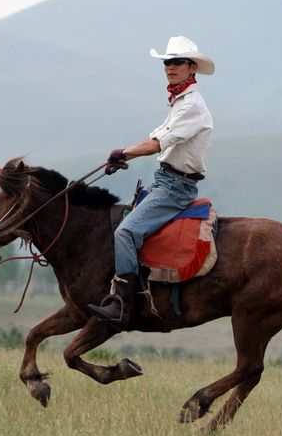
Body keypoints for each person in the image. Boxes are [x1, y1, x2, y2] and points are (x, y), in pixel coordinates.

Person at [87, 35, 214, 330]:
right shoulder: (179, 101)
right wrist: (123, 156)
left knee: (126, 233)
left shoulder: (192, 106)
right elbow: (154, 136)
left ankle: (122, 303)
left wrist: (125, 153)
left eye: (178, 62)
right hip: (164, 181)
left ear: (192, 68)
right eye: (167, 62)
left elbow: (158, 144)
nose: (171, 67)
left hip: (175, 187)